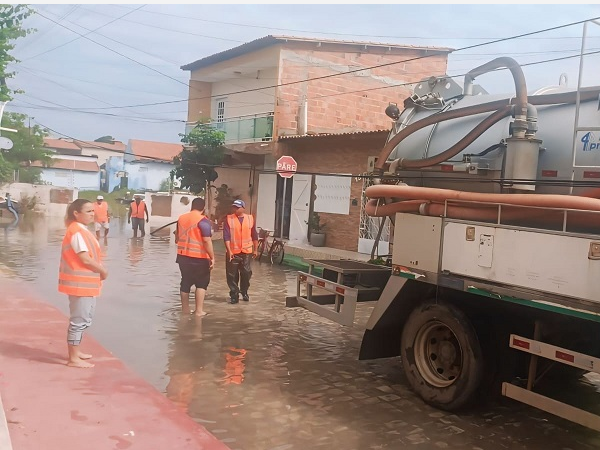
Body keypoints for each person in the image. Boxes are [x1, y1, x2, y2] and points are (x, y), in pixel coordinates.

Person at [58, 198, 108, 368]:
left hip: (84, 284)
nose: (92, 214)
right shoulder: (77, 232)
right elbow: (85, 259)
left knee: (84, 318)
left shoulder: (81, 230)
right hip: (79, 284)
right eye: (88, 211)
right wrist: (102, 270)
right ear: (76, 213)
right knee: (78, 320)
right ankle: (73, 358)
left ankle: (76, 351)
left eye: (93, 210)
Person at [175, 197, 215, 317]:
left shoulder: (181, 218)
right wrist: (212, 257)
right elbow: (207, 241)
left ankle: (185, 311)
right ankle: (199, 311)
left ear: (192, 206)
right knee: (201, 283)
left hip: (182, 256)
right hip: (199, 258)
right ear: (203, 208)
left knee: (185, 282)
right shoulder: (204, 220)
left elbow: (176, 238)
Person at [224, 199, 258, 304]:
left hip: (247, 251)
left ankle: (244, 292)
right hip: (233, 251)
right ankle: (234, 295)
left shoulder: (250, 218)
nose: (235, 209)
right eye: (234, 207)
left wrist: (256, 249)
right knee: (232, 275)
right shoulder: (229, 219)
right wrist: (229, 251)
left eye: (238, 207)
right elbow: (226, 236)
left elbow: (254, 235)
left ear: (243, 208)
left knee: (246, 273)